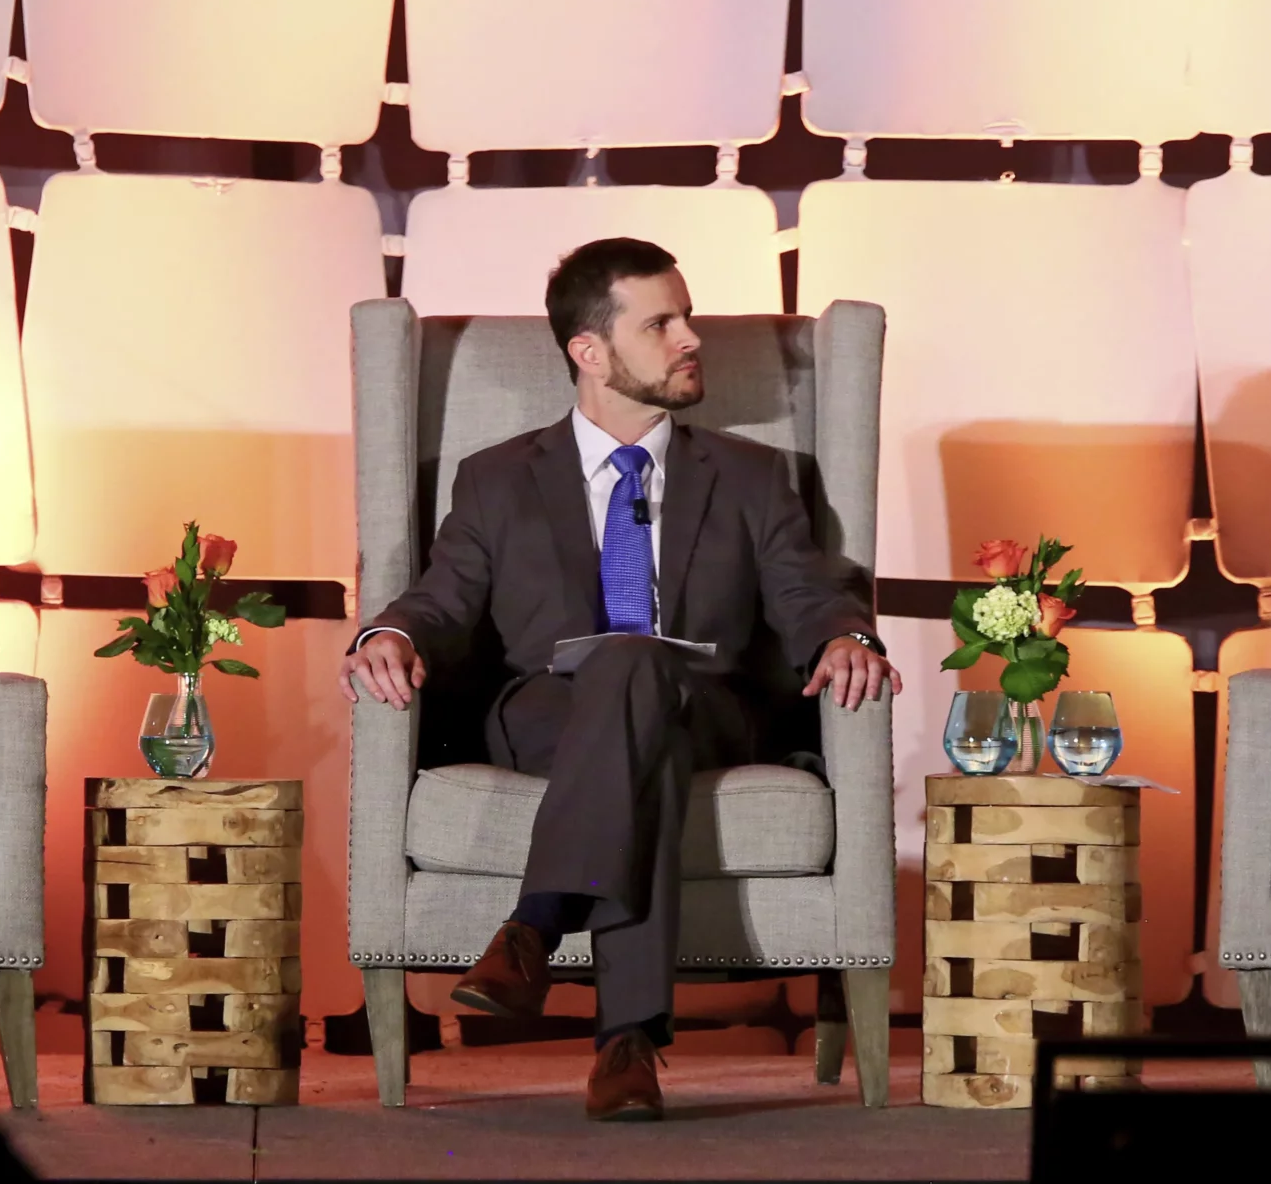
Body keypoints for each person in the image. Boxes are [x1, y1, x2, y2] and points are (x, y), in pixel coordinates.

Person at [339, 237, 899, 1121]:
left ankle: (535, 930)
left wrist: (844, 637)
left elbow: (808, 591)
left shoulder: (752, 477)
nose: (690, 339)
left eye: (689, 318)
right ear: (589, 352)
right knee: (641, 731)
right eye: (662, 323)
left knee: (642, 679)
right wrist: (388, 632)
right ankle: (625, 1042)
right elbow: (441, 599)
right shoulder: (496, 480)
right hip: (548, 714)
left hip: (706, 704)